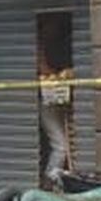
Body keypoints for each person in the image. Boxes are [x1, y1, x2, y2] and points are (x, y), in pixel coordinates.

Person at [36, 10, 76, 189]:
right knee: (60, 146)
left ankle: (58, 182)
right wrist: (58, 76)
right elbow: (43, 70)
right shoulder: (39, 47)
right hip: (46, 101)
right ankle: (49, 182)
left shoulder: (58, 46)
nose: (54, 29)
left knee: (65, 145)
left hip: (59, 99)